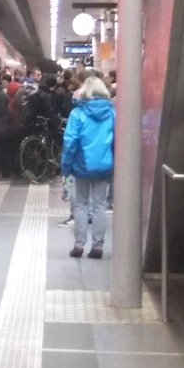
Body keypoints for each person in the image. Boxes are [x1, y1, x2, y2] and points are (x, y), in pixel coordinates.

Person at [59, 76, 115, 258]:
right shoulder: (112, 113)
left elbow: (70, 142)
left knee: (81, 205)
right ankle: (98, 247)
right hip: (104, 166)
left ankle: (79, 245)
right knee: (99, 206)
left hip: (82, 166)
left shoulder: (77, 114)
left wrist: (66, 167)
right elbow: (117, 142)